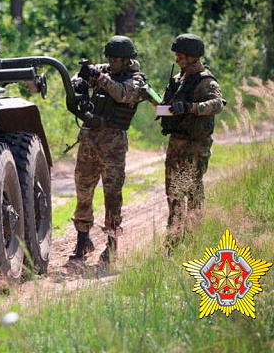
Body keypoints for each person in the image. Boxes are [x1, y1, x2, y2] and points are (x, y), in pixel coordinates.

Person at [69, 35, 147, 265]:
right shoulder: (105, 70)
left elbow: (123, 94)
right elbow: (80, 79)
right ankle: (83, 239)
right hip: (89, 141)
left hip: (113, 144)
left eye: (116, 59)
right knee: (83, 190)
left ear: (127, 60)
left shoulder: (136, 80)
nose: (111, 62)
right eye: (110, 58)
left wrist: (99, 78)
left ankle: (111, 244)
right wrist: (81, 80)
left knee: (112, 195)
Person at [161, 34, 225, 244]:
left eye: (180, 55)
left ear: (192, 56)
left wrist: (193, 108)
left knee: (193, 191)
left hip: (195, 145)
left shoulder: (205, 80)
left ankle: (194, 238)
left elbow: (217, 104)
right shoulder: (180, 80)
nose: (177, 59)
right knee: (173, 192)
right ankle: (174, 238)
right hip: (176, 144)